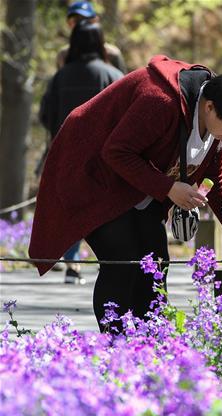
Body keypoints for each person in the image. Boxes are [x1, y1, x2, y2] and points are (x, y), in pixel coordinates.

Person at [29, 55, 222, 331]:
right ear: (209, 107)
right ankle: (115, 344)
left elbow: (217, 180)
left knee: (155, 263)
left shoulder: (217, 128)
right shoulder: (160, 101)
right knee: (123, 258)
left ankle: (150, 341)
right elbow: (116, 152)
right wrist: (169, 188)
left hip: (139, 186)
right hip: (93, 175)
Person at [39, 21, 124, 285]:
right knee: (107, 208)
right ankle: (109, 264)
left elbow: (45, 115)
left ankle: (73, 263)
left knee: (73, 207)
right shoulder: (112, 75)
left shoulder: (59, 77)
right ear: (101, 43)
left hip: (65, 154)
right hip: (105, 158)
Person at [56, 2, 126, 73]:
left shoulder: (112, 54)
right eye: (76, 20)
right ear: (69, 23)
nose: (82, 23)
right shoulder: (63, 55)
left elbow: (124, 82)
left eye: (85, 19)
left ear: (95, 21)